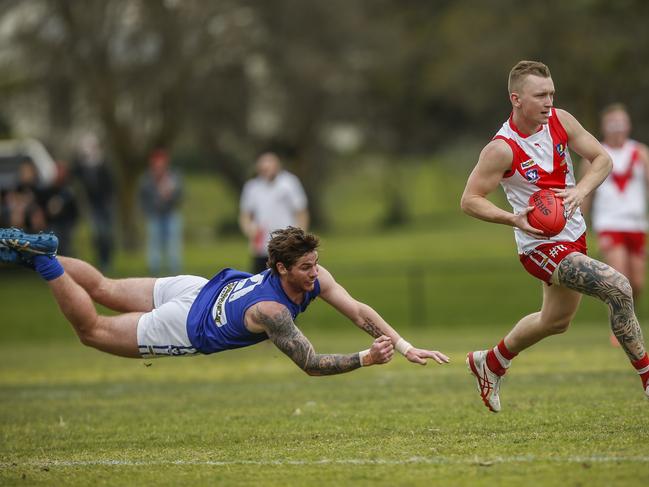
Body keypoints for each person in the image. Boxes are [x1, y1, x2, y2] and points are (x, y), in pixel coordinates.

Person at [0, 226, 449, 375]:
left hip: (198, 288)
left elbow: (358, 310)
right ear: (281, 270)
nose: (316, 274)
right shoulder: (272, 311)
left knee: (105, 288)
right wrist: (366, 359)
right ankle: (43, 262)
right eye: (307, 268)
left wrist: (405, 346)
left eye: (316, 264)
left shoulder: (312, 277)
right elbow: (311, 363)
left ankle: (36, 251)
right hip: (185, 321)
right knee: (92, 330)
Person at [460, 60, 649, 413]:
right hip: (539, 245)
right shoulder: (502, 149)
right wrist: (512, 218)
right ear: (516, 99)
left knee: (556, 321)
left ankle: (491, 361)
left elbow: (601, 159)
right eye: (540, 95)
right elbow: (469, 200)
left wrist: (581, 191)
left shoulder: (561, 121)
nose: (549, 101)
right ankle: (648, 376)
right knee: (619, 287)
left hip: (573, 235)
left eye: (552, 93)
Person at [582, 104, 649, 305]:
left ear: (628, 125)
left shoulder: (640, 152)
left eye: (621, 123)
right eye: (613, 124)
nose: (617, 128)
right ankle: (617, 328)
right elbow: (585, 194)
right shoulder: (595, 156)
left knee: (637, 283)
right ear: (604, 127)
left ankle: (627, 318)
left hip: (636, 223)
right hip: (609, 223)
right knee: (620, 279)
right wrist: (580, 225)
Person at [239, 152, 309, 274]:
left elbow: (301, 211)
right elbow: (245, 214)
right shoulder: (252, 187)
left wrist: (300, 235)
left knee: (287, 275)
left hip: (285, 241)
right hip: (262, 243)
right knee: (259, 277)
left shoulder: (289, 183)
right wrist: (249, 229)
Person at [71, 134, 115, 272]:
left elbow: (111, 184)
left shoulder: (103, 163)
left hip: (105, 205)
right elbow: (74, 173)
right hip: (93, 206)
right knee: (97, 234)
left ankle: (106, 261)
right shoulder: (83, 166)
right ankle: (101, 261)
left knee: (106, 234)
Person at [138, 149, 183, 275]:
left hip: (171, 214)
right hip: (154, 215)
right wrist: (148, 210)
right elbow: (142, 197)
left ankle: (175, 270)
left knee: (173, 243)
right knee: (154, 243)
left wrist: (171, 196)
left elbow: (180, 194)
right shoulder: (147, 179)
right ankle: (154, 270)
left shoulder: (173, 177)